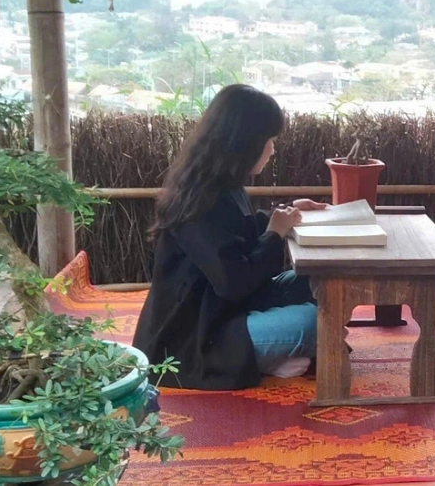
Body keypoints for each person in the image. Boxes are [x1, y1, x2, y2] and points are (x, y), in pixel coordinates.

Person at [132, 84, 327, 390]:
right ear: (245, 142)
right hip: (194, 342)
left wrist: (283, 215)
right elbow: (233, 282)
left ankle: (270, 357)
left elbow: (238, 234)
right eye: (269, 140)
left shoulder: (220, 186)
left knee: (316, 284)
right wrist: (275, 233)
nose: (273, 149)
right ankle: (261, 359)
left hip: (224, 313)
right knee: (313, 321)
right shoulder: (196, 203)